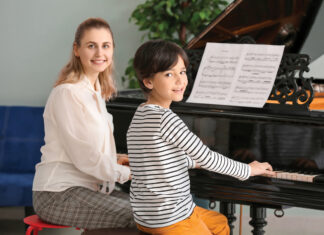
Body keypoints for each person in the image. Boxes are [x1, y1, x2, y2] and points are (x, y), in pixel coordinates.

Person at [127, 39, 276, 235]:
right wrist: (248, 170)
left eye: (181, 72)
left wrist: (191, 162)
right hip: (172, 218)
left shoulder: (141, 113)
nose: (180, 80)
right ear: (148, 81)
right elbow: (208, 158)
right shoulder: (166, 119)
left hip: (147, 216)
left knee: (220, 222)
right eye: (169, 74)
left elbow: (159, 159)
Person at [32, 18, 135, 231]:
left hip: (87, 190)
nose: (99, 53)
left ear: (112, 49)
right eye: (91, 46)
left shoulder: (95, 93)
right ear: (76, 50)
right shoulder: (67, 93)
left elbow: (87, 150)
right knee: (143, 215)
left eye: (105, 46)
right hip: (57, 195)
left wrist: (120, 160)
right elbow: (85, 158)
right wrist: (129, 173)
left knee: (153, 210)